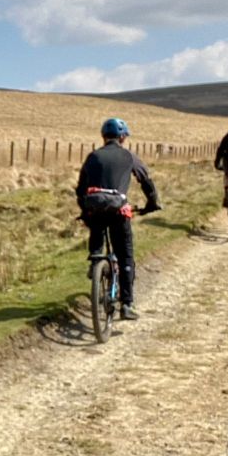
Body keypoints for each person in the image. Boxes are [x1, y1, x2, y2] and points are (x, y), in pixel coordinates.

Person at [76, 117, 161, 321]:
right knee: (125, 255)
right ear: (122, 137)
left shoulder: (92, 156)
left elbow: (80, 188)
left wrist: (84, 210)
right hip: (118, 210)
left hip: (94, 207)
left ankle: (95, 259)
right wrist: (152, 203)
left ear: (104, 137)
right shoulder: (129, 156)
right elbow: (145, 181)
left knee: (96, 228)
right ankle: (127, 305)